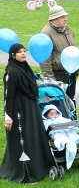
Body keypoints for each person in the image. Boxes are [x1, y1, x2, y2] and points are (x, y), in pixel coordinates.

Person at [0, 43, 54, 184]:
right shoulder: (11, 73)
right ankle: (26, 175)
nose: (23, 54)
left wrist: (36, 76)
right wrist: (8, 117)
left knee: (34, 135)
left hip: (31, 108)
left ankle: (40, 167)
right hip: (19, 110)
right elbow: (8, 96)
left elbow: (27, 79)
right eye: (19, 52)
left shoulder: (25, 69)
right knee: (24, 139)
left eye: (24, 51)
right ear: (13, 55)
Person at [40, 6, 78, 99]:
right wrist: (51, 81)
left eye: (65, 16)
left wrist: (75, 72)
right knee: (60, 105)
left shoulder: (67, 29)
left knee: (71, 104)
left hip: (70, 74)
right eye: (62, 17)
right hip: (58, 76)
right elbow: (45, 60)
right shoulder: (46, 33)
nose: (66, 19)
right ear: (54, 19)